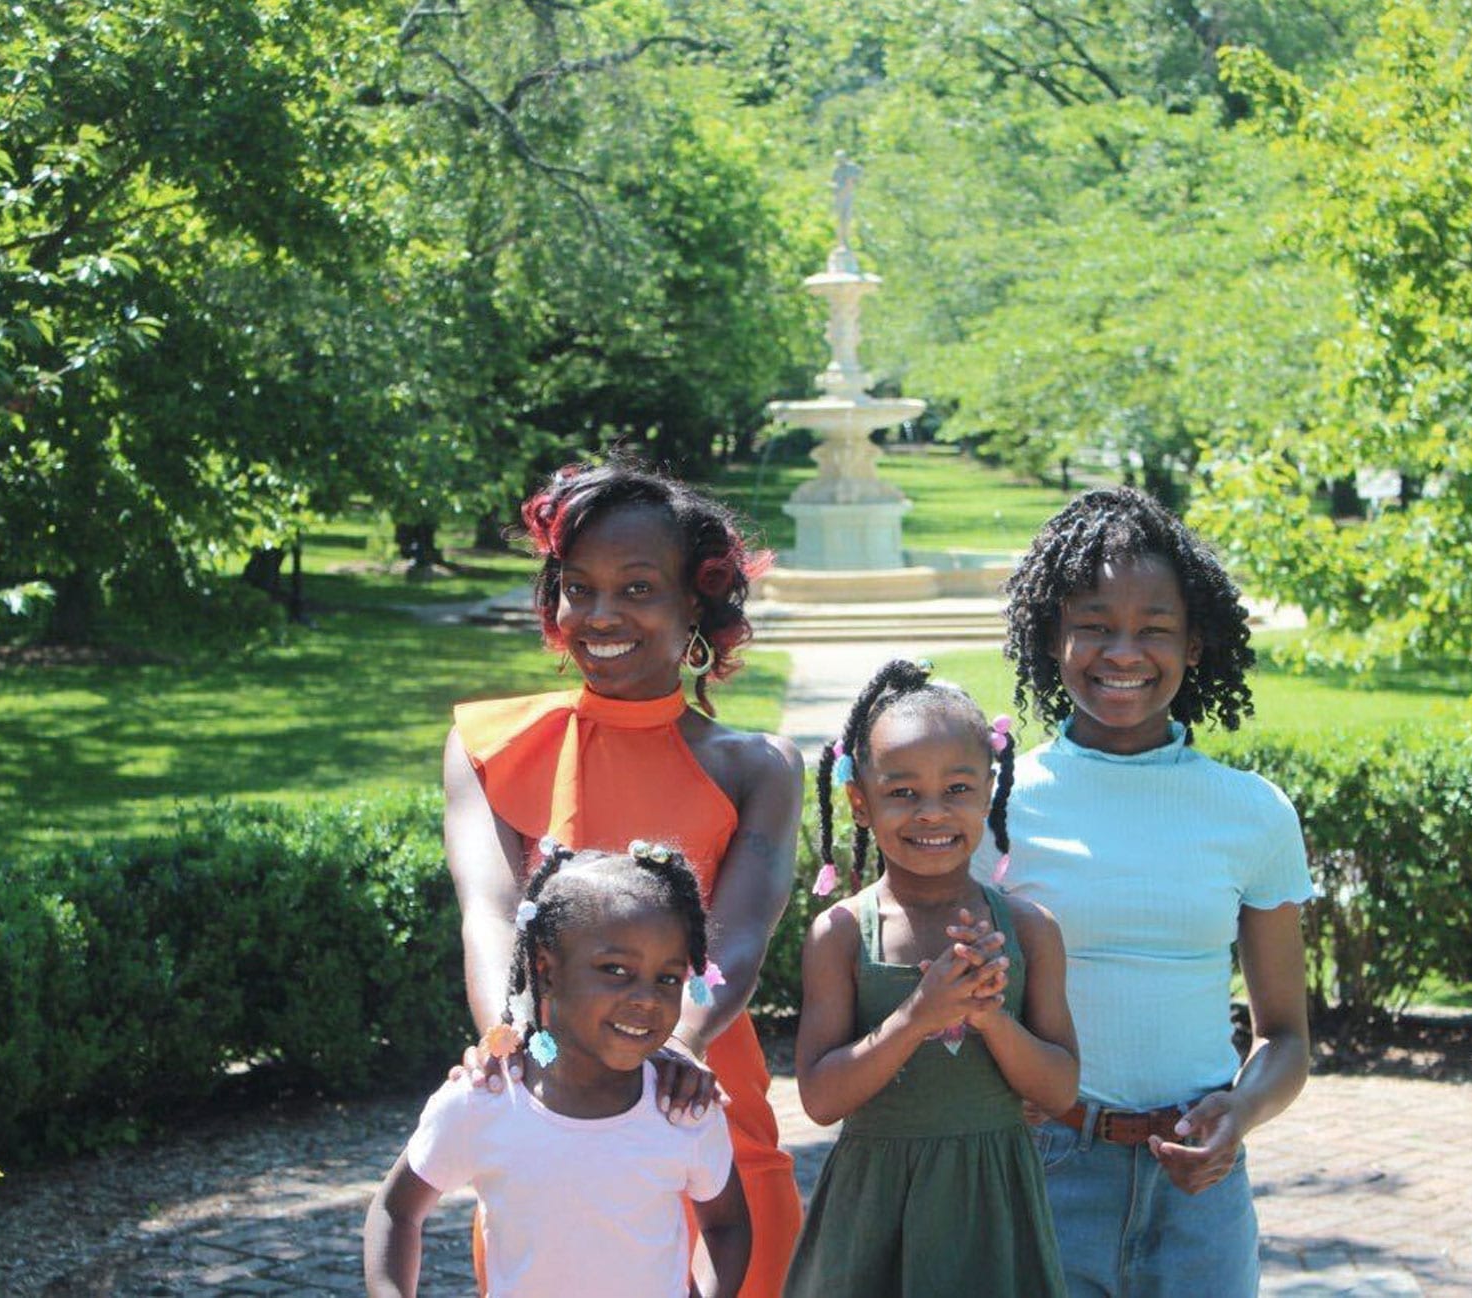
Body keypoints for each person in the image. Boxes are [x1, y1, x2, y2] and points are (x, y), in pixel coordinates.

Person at [443, 458, 804, 1297]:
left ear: (696, 607)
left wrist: (674, 1043)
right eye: (579, 587)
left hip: (700, 1096)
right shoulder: (490, 747)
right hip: (547, 1102)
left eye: (638, 589)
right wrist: (513, 1044)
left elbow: (738, 938)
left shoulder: (757, 768)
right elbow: (489, 916)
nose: (600, 615)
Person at [991, 486, 1313, 1296]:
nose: (1123, 652)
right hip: (1044, 1171)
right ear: (1051, 638)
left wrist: (1236, 1115)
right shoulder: (997, 806)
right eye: (1093, 624)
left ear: (1195, 643)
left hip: (1199, 1188)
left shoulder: (1251, 812)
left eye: (1155, 629)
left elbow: (1286, 1038)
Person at [784, 659, 1077, 1298]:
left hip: (994, 1211)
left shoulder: (1029, 930)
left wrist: (989, 1015)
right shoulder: (839, 935)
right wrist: (917, 1014)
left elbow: (1059, 1090)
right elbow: (822, 1099)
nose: (932, 814)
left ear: (991, 790)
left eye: (958, 790)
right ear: (860, 803)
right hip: (874, 1216)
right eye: (903, 792)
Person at [365, 845, 751, 1297]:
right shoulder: (483, 1100)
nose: (647, 997)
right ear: (546, 971)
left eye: (667, 977)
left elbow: (727, 1226)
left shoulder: (684, 1110)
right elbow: (396, 1211)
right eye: (616, 969)